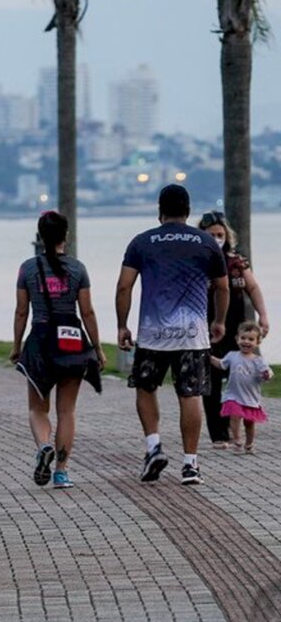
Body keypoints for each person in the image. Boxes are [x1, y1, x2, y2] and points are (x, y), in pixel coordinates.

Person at [116, 184, 229, 486]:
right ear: (188, 210)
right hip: (193, 334)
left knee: (145, 387)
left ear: (159, 210)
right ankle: (190, 465)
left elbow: (124, 286)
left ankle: (153, 447)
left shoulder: (141, 242)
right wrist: (218, 321)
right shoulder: (207, 242)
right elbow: (222, 287)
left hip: (152, 333)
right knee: (189, 394)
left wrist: (122, 325)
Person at [11, 211, 105, 489]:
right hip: (71, 341)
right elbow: (86, 311)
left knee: (38, 408)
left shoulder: (27, 269)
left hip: (40, 340)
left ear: (39, 237)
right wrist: (97, 348)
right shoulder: (78, 269)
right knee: (67, 411)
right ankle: (61, 472)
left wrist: (17, 346)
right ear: (67, 236)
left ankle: (43, 447)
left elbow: (20, 312)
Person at [195, 211, 271, 448]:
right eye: (212, 234)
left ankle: (234, 423)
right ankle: (218, 434)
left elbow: (253, 287)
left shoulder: (236, 261)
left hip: (238, 329)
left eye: (220, 234)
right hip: (208, 327)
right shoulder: (197, 260)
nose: (217, 238)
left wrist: (263, 315)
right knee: (212, 381)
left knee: (240, 377)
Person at [212, 321, 272, 453]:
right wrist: (210, 359)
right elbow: (222, 364)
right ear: (237, 339)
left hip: (250, 398)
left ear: (257, 342)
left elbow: (267, 374)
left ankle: (249, 444)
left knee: (249, 423)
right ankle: (237, 440)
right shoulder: (232, 356)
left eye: (251, 339)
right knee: (234, 414)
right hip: (233, 395)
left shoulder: (258, 360)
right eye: (243, 338)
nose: (246, 342)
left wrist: (267, 375)